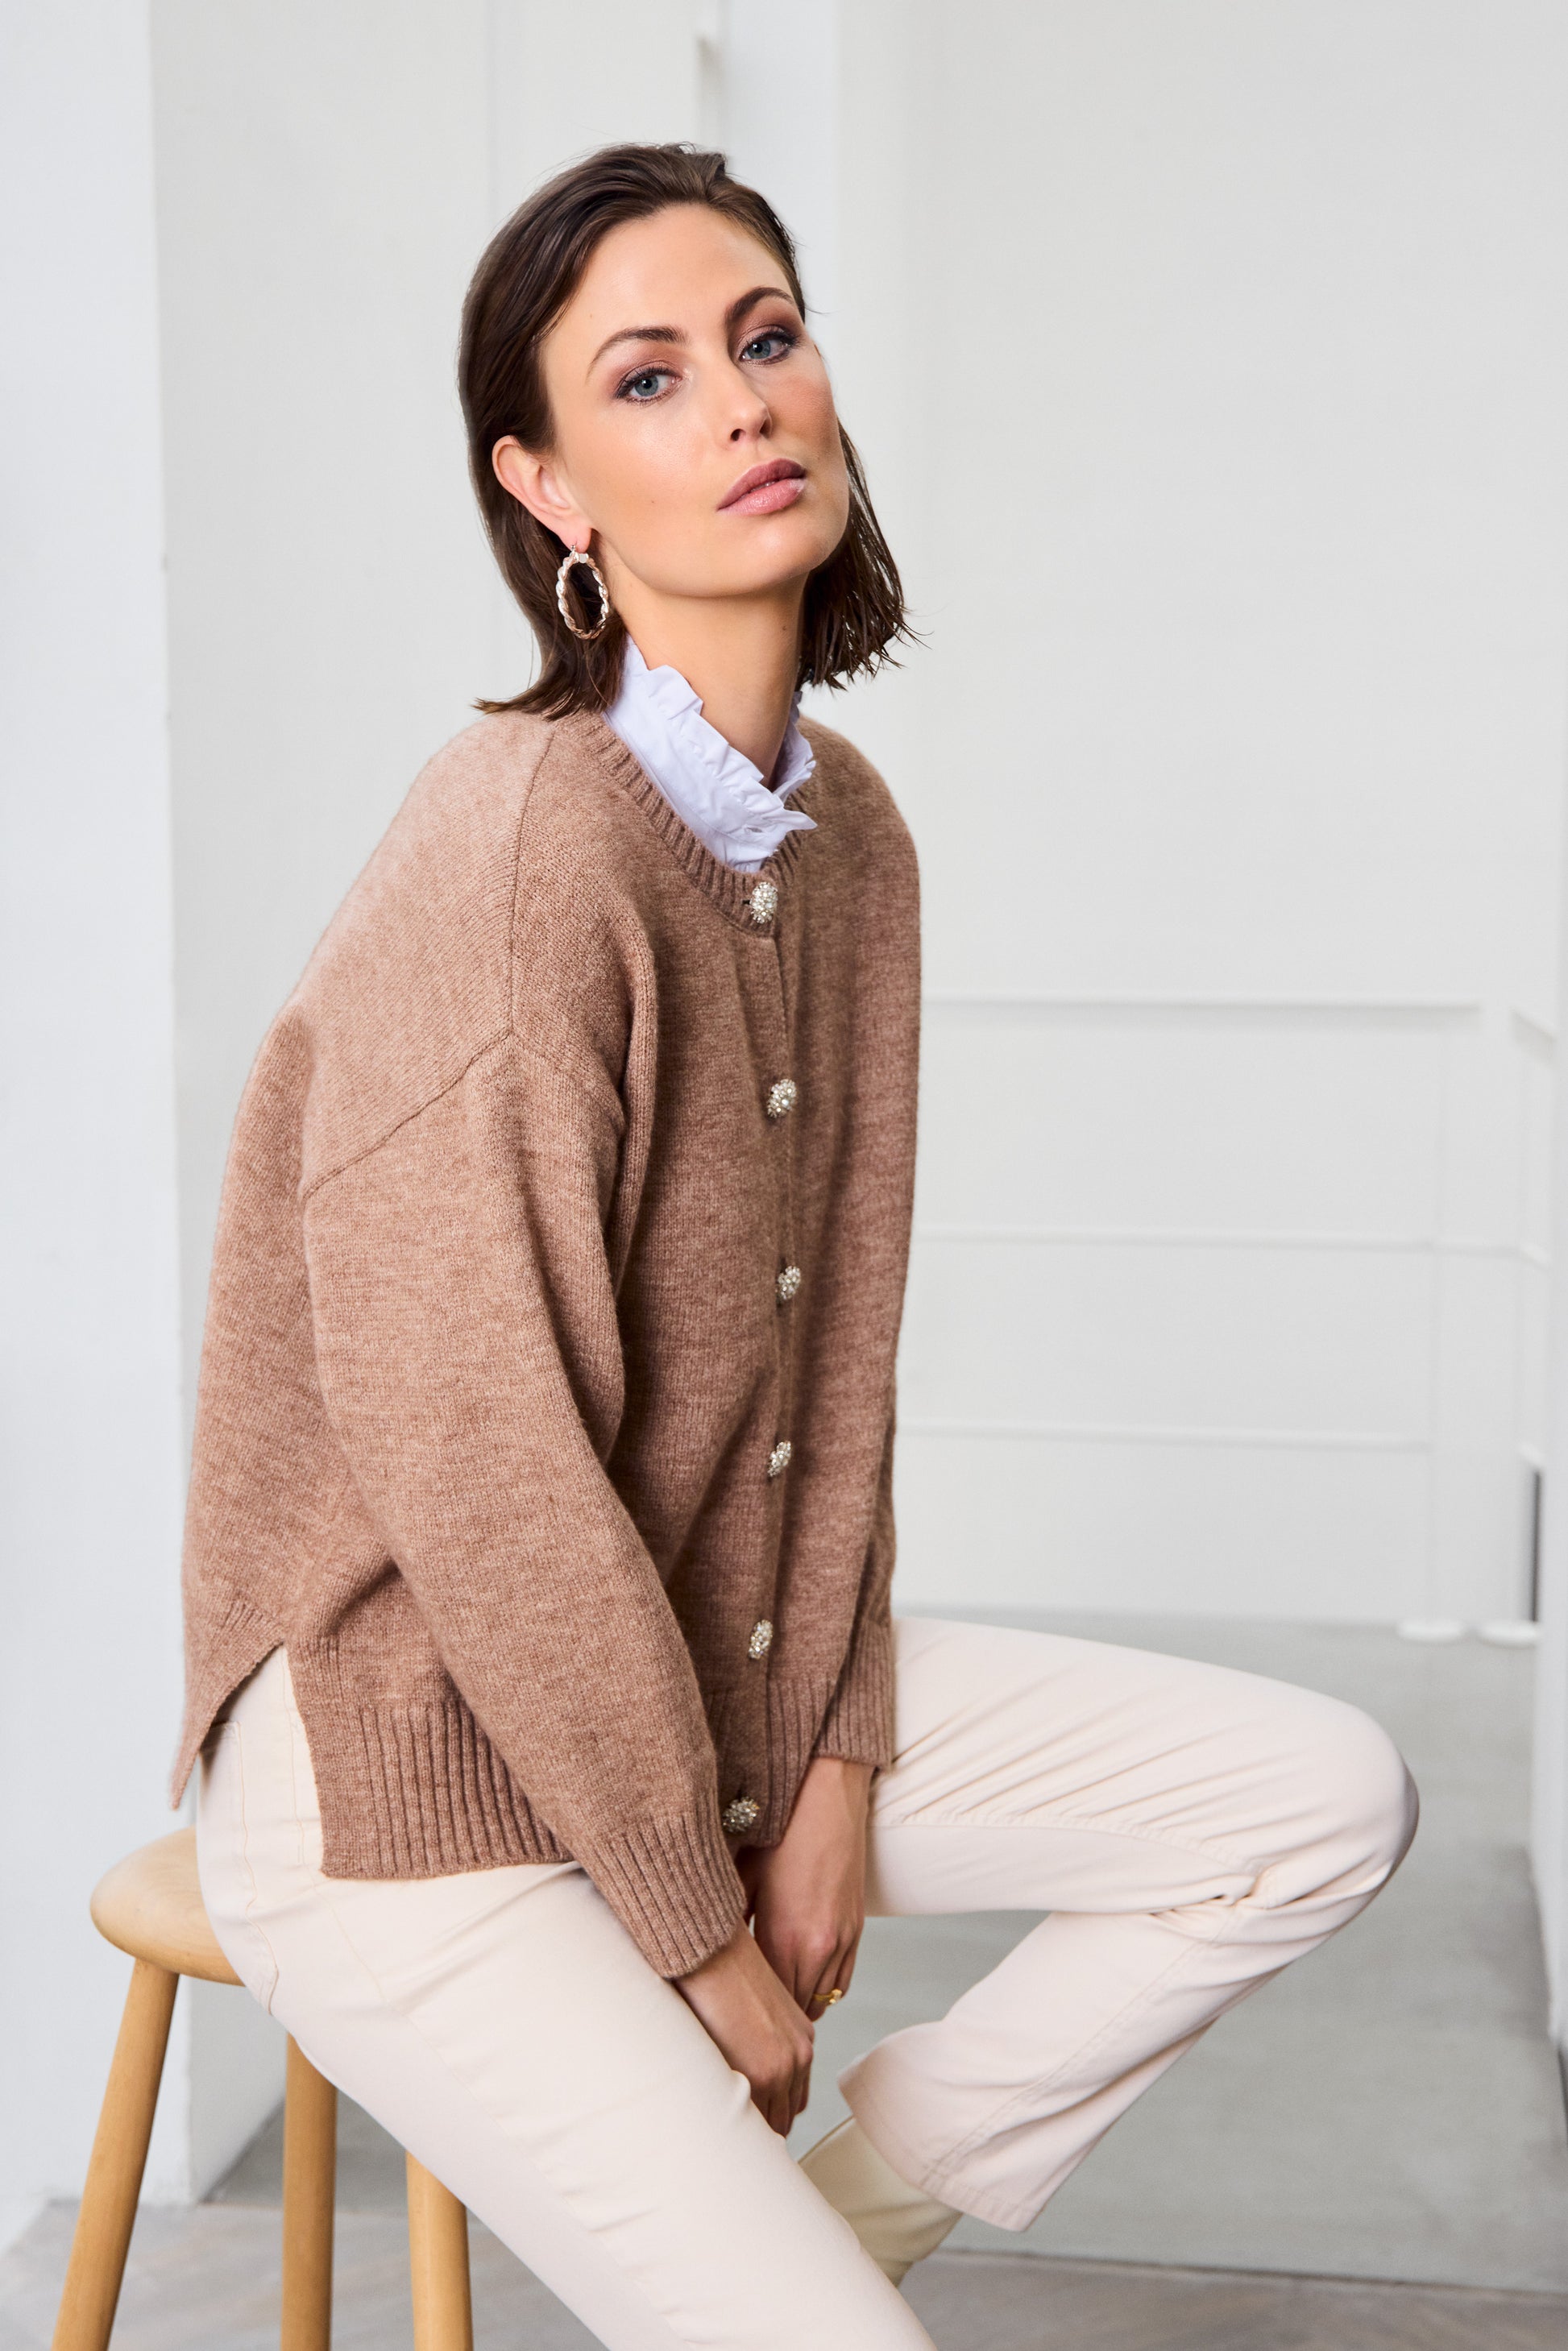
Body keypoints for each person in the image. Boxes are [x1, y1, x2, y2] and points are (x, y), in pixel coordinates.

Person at [176, 143, 1418, 2351]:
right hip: (413, 1769)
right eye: (648, 378)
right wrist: (697, 1933)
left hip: (703, 1670)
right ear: (545, 489)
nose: (745, 401)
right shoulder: (518, 861)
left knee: (1317, 1800)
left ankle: (842, 2231)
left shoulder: (850, 843)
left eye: (766, 338)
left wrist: (834, 1756)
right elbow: (480, 1468)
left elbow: (835, 1358)